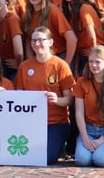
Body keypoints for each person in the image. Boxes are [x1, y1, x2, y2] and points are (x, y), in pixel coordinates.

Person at [15, 27, 76, 165]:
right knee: (23, 154)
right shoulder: (24, 67)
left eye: (41, 40)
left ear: (50, 42)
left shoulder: (61, 66)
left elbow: (69, 99)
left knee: (46, 158)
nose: (37, 44)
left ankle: (60, 146)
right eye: (34, 41)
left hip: (56, 122)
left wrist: (57, 100)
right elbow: (18, 97)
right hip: (31, 122)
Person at [71, 45, 104, 167]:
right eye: (91, 61)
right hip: (88, 129)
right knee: (82, 160)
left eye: (97, 62)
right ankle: (94, 149)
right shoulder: (81, 82)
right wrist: (84, 136)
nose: (93, 65)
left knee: (100, 160)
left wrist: (103, 138)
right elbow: (79, 112)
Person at [21, 0, 76, 68]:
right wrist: (31, 64)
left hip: (58, 56)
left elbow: (72, 39)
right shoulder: (27, 15)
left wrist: (66, 64)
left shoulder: (53, 11)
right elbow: (29, 40)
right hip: (39, 59)